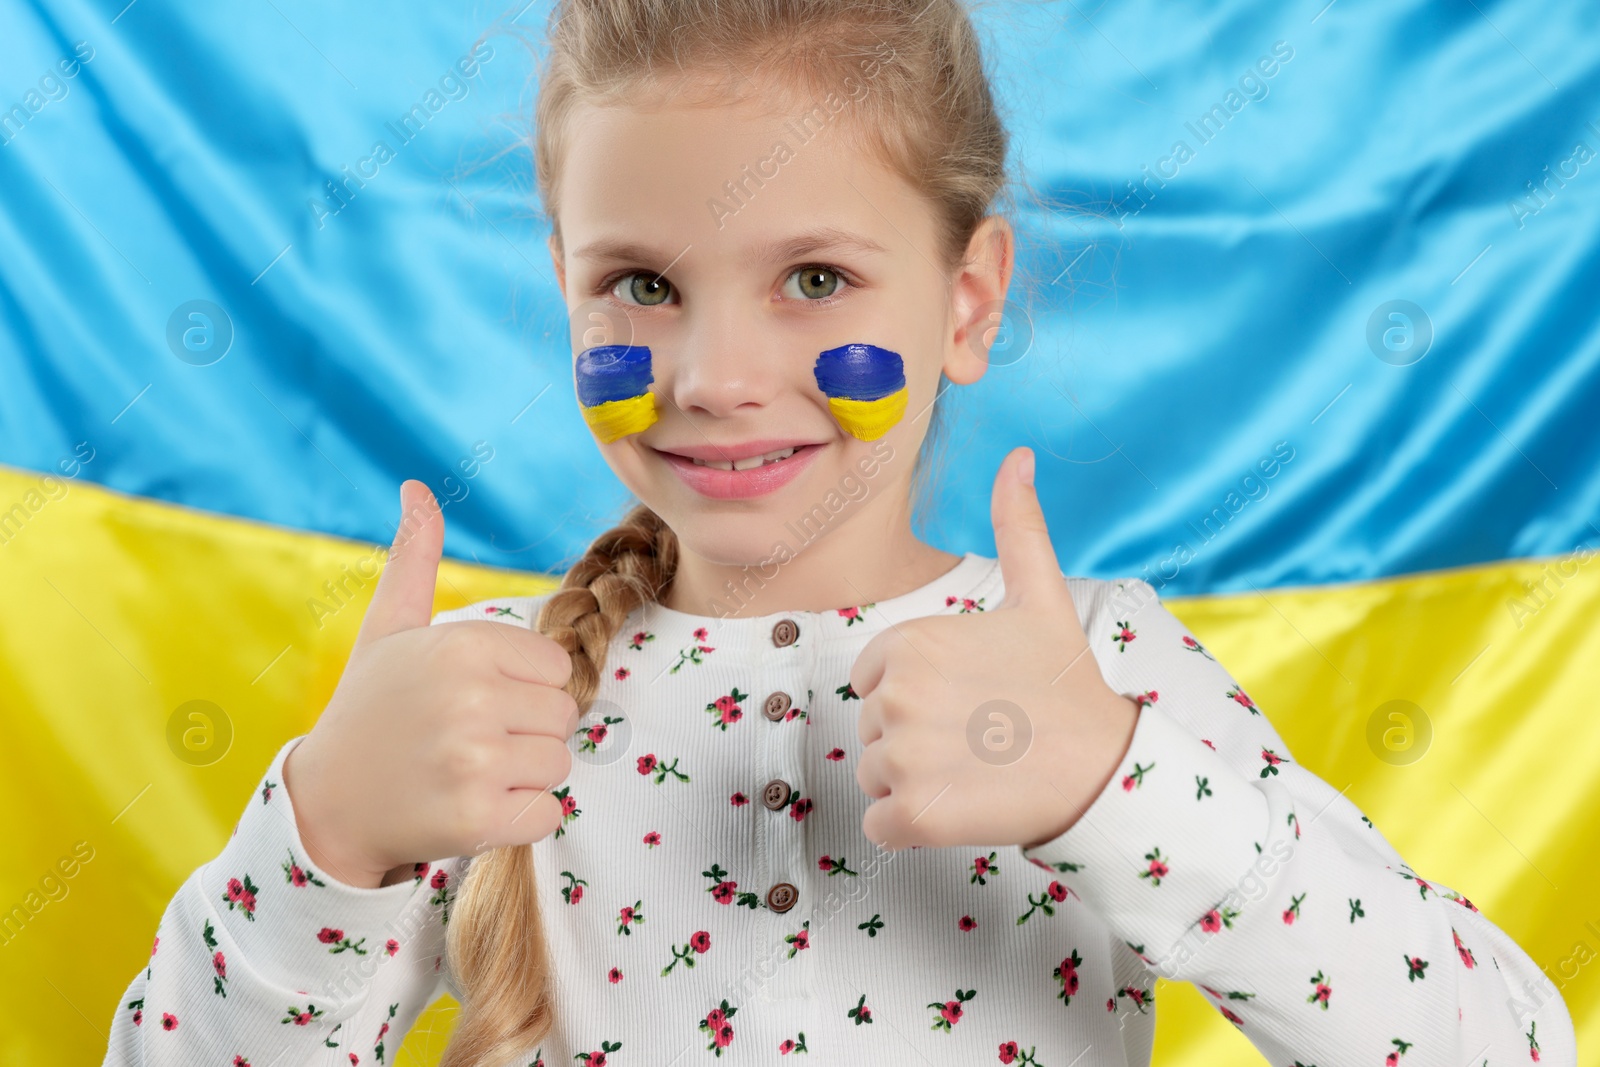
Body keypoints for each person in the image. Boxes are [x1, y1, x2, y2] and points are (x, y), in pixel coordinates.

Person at [102, 1, 1578, 1064]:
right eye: (640, 285)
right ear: (560, 278)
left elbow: (1500, 1044)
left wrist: (1114, 785)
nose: (713, 377)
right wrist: (329, 832)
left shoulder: (1089, 672)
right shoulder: (484, 703)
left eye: (813, 279)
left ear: (969, 300)